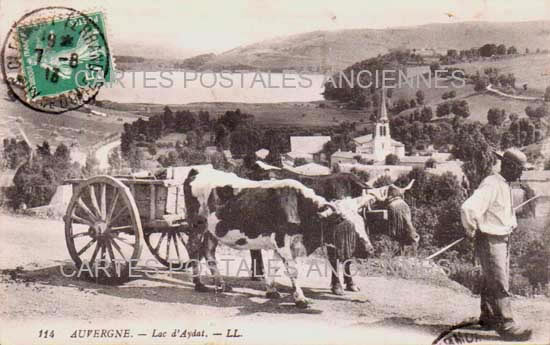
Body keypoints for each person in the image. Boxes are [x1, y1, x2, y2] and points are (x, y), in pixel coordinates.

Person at [460, 148, 533, 341]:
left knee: (490, 279)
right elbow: (468, 207)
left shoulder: (504, 184)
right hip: (491, 240)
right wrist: (471, 229)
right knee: (500, 282)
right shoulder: (491, 184)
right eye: (520, 169)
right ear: (508, 166)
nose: (521, 173)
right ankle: (506, 324)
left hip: (501, 239)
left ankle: (489, 318)